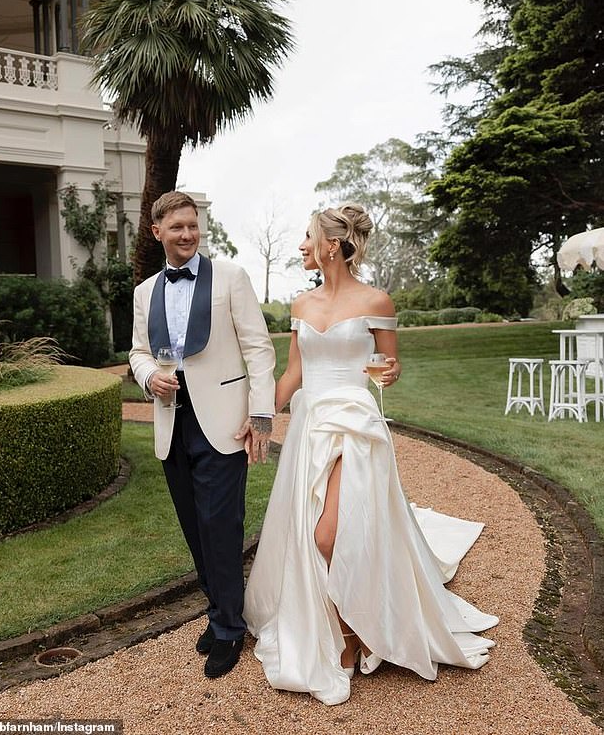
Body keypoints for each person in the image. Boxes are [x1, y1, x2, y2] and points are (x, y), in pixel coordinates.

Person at [244, 203, 498, 706]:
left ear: (331, 246)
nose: (302, 245)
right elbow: (294, 373)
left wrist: (388, 373)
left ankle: (354, 633)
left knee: (327, 535)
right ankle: (336, 621)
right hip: (312, 424)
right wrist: (261, 416)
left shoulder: (377, 299)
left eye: (308, 236)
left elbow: (389, 363)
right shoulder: (300, 304)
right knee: (311, 529)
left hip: (356, 424)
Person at [129, 191, 276, 679]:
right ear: (158, 233)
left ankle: (231, 629)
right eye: (177, 228)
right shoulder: (145, 291)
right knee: (195, 528)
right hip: (173, 423)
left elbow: (259, 350)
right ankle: (219, 611)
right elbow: (138, 352)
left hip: (224, 424)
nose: (188, 234)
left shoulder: (231, 278)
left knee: (221, 526)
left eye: (193, 225)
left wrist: (260, 416)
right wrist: (150, 376)